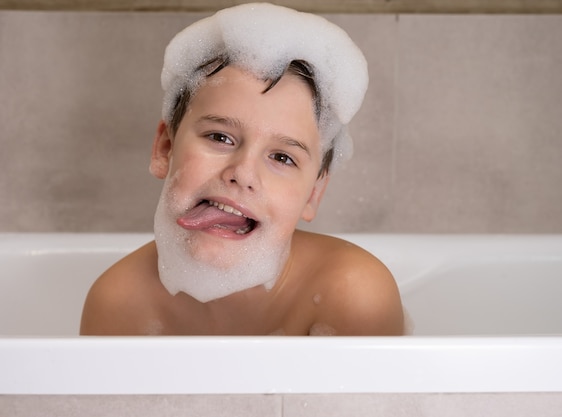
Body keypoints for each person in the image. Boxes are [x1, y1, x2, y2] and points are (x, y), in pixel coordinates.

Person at [80, 3, 404, 336]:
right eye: (220, 137)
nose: (243, 174)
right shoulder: (119, 303)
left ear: (314, 194)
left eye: (281, 158)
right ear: (165, 148)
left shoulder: (353, 294)